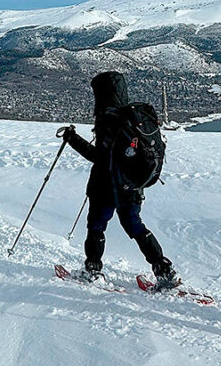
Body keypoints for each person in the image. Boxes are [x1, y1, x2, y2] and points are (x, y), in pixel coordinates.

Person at [61, 71, 180, 289]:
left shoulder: (108, 119)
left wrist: (72, 139)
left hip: (106, 187)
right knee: (136, 227)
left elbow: (99, 156)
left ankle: (93, 270)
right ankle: (164, 271)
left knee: (96, 227)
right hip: (133, 186)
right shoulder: (132, 118)